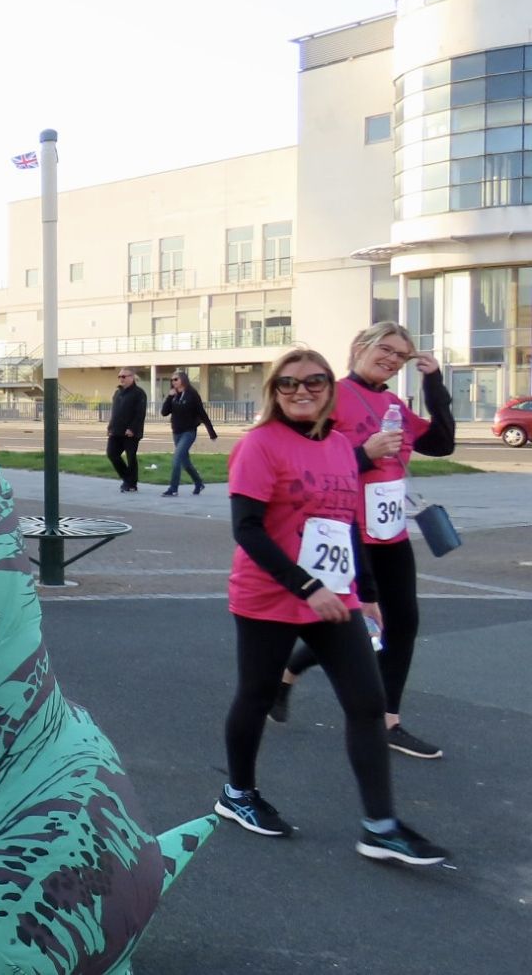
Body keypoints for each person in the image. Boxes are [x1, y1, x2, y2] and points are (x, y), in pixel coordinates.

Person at [216, 348, 447, 866]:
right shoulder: (259, 445)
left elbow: (346, 525)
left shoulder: (344, 446)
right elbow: (246, 529)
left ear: (330, 390)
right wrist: (305, 586)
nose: (302, 391)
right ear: (274, 392)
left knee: (366, 703)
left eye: (315, 382)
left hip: (334, 596)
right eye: (289, 384)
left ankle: (380, 826)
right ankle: (237, 794)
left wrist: (363, 594)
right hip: (270, 595)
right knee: (254, 696)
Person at [275, 322, 457, 760]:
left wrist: (434, 383)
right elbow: (307, 464)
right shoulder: (331, 396)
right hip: (345, 530)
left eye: (402, 356)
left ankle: (389, 721)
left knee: (402, 624)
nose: (393, 360)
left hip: (390, 531)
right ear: (360, 347)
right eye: (387, 350)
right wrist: (364, 453)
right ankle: (287, 673)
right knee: (353, 626)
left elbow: (443, 442)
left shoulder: (394, 402)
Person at [159, 369, 217, 496]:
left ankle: (173, 489)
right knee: (185, 462)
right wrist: (169, 397)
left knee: (176, 459)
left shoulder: (192, 394)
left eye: (176, 379)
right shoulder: (174, 395)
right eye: (172, 380)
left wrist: (211, 432)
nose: (173, 382)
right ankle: (199, 483)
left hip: (189, 432)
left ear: (183, 380)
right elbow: (164, 412)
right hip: (176, 432)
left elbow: (202, 413)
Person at [106, 368, 147, 493]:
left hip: (131, 433)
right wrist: (110, 427)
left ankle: (131, 483)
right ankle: (127, 478)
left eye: (124, 376)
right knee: (112, 453)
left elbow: (140, 414)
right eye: (119, 377)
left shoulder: (139, 393)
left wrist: (132, 428)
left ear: (132, 377)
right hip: (116, 431)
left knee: (131, 457)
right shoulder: (117, 393)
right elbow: (115, 412)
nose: (121, 379)